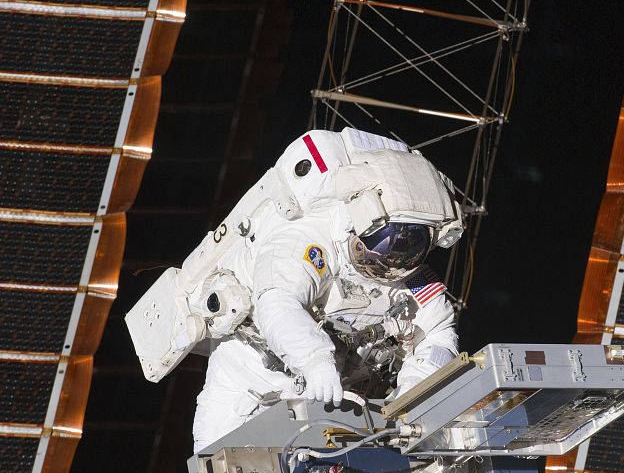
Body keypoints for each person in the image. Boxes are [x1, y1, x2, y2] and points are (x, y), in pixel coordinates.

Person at [161, 128, 465, 452]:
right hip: (250, 376)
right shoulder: (310, 240)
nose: (389, 264)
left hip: (328, 395)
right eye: (381, 248)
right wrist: (316, 359)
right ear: (357, 223)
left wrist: (412, 397)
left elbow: (438, 333)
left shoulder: (410, 277)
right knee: (218, 472)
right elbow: (278, 301)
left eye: (408, 250)